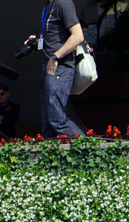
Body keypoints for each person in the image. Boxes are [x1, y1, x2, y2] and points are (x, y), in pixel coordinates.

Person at [25, 0, 84, 138]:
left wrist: (56, 56)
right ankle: (51, 158)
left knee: (57, 120)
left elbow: (77, 36)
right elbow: (56, 37)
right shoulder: (49, 5)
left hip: (59, 69)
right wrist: (38, 40)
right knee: (48, 126)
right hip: (48, 70)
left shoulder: (63, 3)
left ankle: (91, 151)